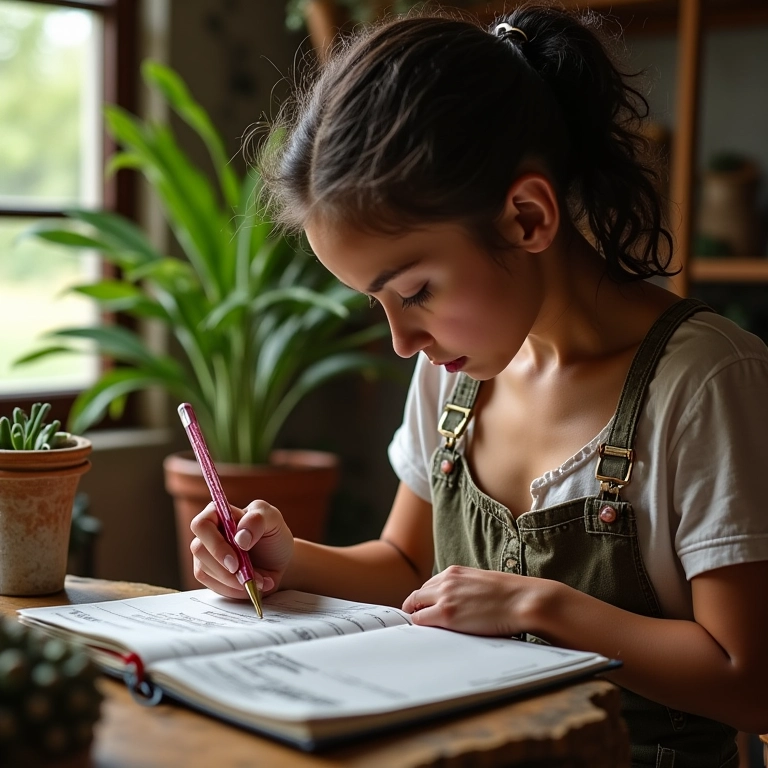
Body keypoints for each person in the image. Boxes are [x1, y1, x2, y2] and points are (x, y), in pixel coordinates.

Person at [190, 5, 768, 764]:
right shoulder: (453, 376)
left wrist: (537, 604)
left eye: (417, 291)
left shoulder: (704, 383)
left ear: (527, 218)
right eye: (377, 302)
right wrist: (285, 560)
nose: (402, 342)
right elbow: (407, 566)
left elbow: (750, 680)